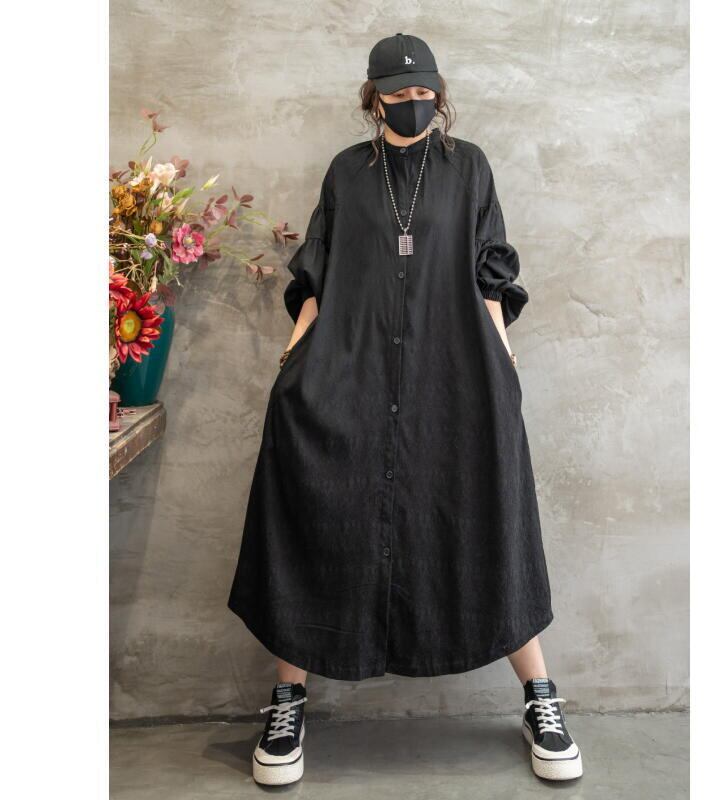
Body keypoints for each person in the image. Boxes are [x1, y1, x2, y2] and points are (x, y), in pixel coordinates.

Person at [228, 33, 583, 786]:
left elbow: (490, 273)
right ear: (373, 98)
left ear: (438, 93)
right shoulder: (347, 173)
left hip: (453, 376)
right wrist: (291, 360)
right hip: (349, 372)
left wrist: (504, 364)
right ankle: (287, 701)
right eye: (396, 94)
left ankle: (541, 699)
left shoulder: (469, 167)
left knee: (488, 522)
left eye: (423, 92)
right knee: (312, 519)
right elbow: (318, 274)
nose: (412, 104)